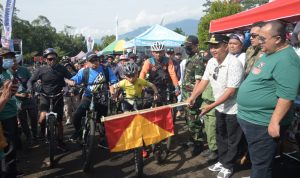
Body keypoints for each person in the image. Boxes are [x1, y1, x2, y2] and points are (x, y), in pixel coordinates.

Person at [237, 20, 300, 178]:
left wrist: (274, 122)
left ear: (278, 39)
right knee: (258, 161)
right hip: (251, 120)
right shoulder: (270, 53)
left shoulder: (287, 59)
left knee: (262, 165)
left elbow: (286, 96)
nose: (259, 42)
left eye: (263, 39)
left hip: (263, 123)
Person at [186, 34, 244, 178]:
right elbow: (203, 82)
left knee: (232, 138)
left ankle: (229, 165)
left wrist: (210, 106)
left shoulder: (234, 63)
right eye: (211, 46)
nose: (213, 49)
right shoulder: (211, 62)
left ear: (226, 46)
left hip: (233, 108)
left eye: (216, 46)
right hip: (219, 106)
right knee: (220, 136)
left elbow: (231, 91)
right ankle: (222, 160)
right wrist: (193, 96)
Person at [27, 48, 73, 151]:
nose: (51, 61)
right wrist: (31, 89)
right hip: (45, 96)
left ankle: (61, 141)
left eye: (54, 59)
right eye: (49, 59)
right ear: (45, 60)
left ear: (56, 59)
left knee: (60, 121)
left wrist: (73, 84)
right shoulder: (41, 70)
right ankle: (42, 133)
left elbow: (72, 77)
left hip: (58, 96)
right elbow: (31, 81)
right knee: (42, 117)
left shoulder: (62, 68)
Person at [66, 52, 118, 142]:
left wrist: (114, 92)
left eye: (96, 60)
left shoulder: (106, 69)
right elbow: (73, 79)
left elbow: (113, 82)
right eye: (92, 61)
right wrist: (71, 82)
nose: (95, 62)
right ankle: (78, 132)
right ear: (87, 62)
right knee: (77, 115)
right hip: (88, 96)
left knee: (102, 120)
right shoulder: (84, 71)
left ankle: (102, 137)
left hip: (102, 97)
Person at [181, 35, 206, 156]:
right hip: (187, 94)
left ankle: (199, 144)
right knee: (188, 120)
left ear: (196, 46)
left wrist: (193, 97)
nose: (187, 49)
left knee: (194, 121)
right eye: (186, 47)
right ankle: (192, 139)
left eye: (189, 47)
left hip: (193, 96)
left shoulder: (198, 60)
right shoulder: (190, 58)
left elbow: (198, 81)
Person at [0, 47, 20, 178]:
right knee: (8, 148)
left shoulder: (8, 72)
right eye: (6, 56)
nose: (9, 59)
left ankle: (12, 170)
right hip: (3, 115)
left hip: (11, 113)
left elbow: (11, 91)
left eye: (11, 57)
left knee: (11, 146)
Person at [11, 55, 38, 145]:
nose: (13, 63)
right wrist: (19, 94)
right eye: (12, 62)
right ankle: (29, 137)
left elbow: (31, 80)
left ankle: (35, 134)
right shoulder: (7, 73)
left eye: (14, 61)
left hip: (29, 97)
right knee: (23, 120)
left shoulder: (24, 69)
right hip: (17, 100)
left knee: (34, 117)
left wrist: (29, 90)